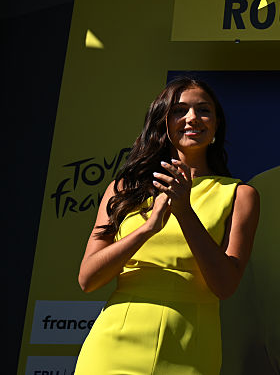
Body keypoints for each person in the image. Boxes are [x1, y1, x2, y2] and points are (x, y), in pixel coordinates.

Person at [75, 77, 260, 374]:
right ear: (163, 121)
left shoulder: (239, 194)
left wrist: (184, 212)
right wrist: (148, 229)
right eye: (179, 110)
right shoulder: (123, 188)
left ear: (216, 125)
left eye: (203, 110)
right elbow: (88, 279)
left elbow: (225, 286)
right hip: (114, 344)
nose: (192, 118)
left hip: (191, 345)